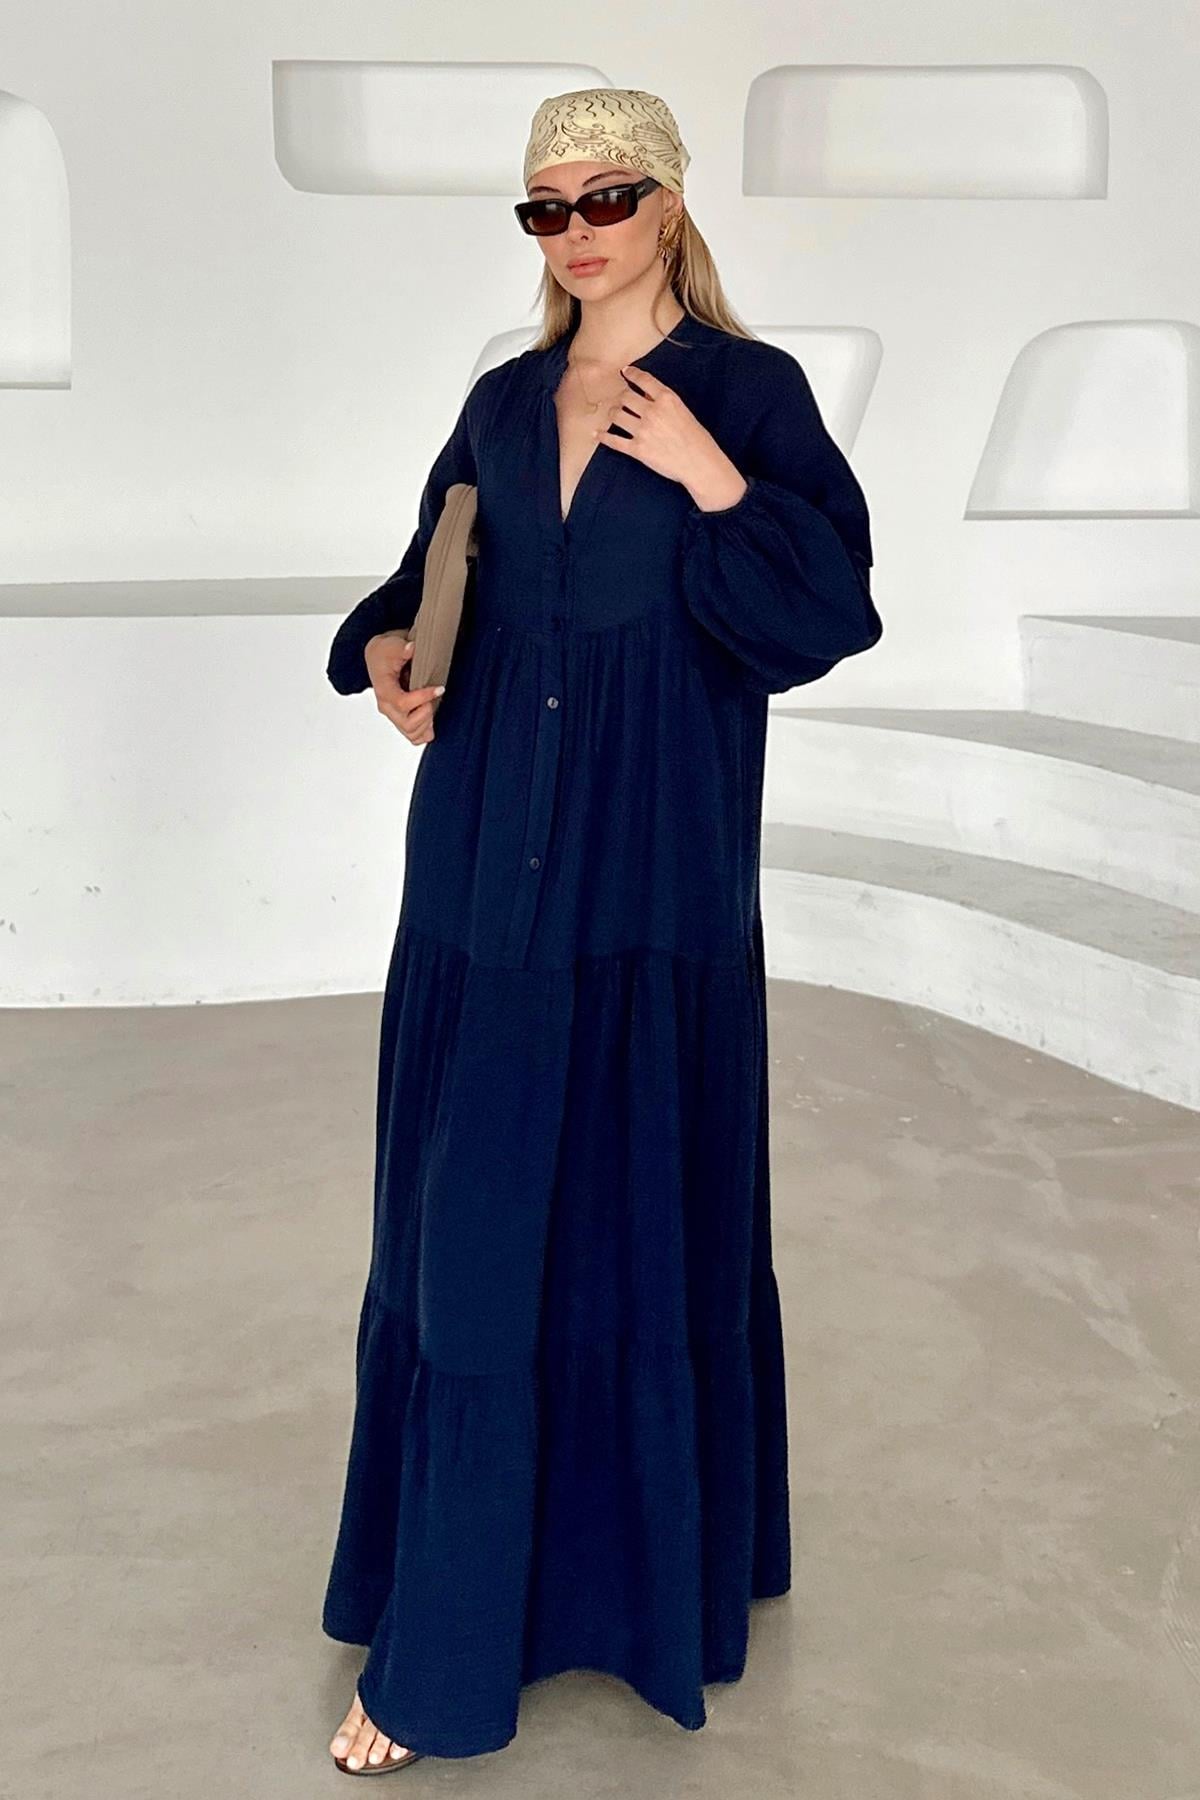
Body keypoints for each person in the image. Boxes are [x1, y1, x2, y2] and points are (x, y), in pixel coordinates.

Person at [322, 86, 882, 1774]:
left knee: (638, 1197)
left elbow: (825, 609)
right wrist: (390, 656)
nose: (576, 231)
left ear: (670, 203)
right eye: (545, 208)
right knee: (476, 1216)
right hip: (485, 852)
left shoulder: (749, 394)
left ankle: (642, 1576)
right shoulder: (505, 396)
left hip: (655, 862)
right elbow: (434, 571)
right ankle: (448, 1623)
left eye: (607, 197)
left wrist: (715, 483)